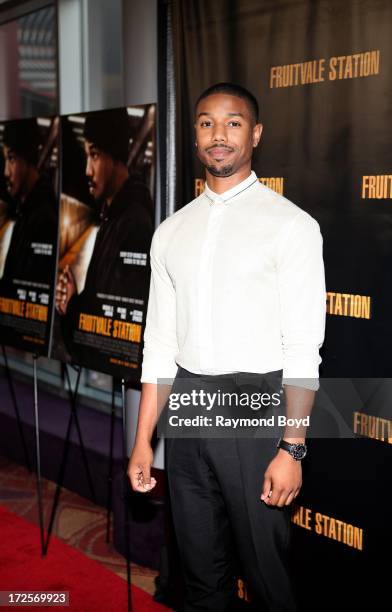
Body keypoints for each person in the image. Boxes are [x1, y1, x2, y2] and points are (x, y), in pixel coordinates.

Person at [127, 83, 326, 611]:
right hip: (189, 409)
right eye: (206, 123)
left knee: (269, 579)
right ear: (194, 135)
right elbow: (160, 343)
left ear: (255, 134)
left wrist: (292, 447)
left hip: (256, 406)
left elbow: (304, 347)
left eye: (233, 123)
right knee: (200, 578)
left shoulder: (292, 226)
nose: (219, 135)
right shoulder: (170, 233)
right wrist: (144, 438)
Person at [55, 109, 153, 366]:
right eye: (87, 155)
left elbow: (119, 327)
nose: (87, 170)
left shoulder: (133, 224)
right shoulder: (112, 217)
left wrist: (73, 305)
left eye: (95, 155)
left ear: (116, 157)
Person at [0, 118, 57, 292]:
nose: (5, 172)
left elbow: (28, 288)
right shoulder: (27, 210)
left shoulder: (43, 218)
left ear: (27, 159)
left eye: (11, 159)